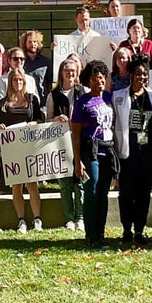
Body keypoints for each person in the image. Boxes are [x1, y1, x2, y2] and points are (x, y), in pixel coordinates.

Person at [71, 60, 118, 249]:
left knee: (103, 194)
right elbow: (75, 135)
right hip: (90, 151)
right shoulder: (83, 102)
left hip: (108, 149)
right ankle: (90, 235)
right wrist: (77, 161)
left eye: (102, 77)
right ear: (88, 81)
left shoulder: (108, 98)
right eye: (95, 78)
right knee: (92, 192)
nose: (99, 81)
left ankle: (100, 233)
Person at [113, 54, 152, 245]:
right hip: (128, 151)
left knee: (144, 193)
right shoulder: (119, 96)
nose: (141, 77)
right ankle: (126, 230)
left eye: (144, 74)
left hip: (147, 152)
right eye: (138, 74)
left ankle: (139, 230)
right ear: (131, 75)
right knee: (126, 192)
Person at [0, 67, 46, 233]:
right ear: (10, 82)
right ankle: (21, 220)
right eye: (15, 80)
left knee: (32, 184)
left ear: (24, 82)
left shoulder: (32, 100)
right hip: (12, 148)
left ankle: (37, 219)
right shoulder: (3, 103)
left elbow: (40, 118)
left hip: (30, 146)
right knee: (16, 186)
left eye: (20, 80)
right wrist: (1, 127)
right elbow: (0, 123)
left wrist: (36, 123)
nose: (18, 83)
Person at [46, 57, 86, 232]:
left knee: (80, 182)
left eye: (73, 71)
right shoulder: (53, 95)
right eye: (67, 70)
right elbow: (46, 122)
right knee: (65, 184)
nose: (70, 74)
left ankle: (80, 217)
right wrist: (55, 120)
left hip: (80, 142)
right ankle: (69, 218)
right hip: (61, 144)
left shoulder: (83, 92)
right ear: (61, 72)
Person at [20, 30, 52, 97]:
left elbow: (49, 83)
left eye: (35, 41)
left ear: (38, 43)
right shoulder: (20, 61)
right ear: (25, 43)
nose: (33, 44)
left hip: (42, 102)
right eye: (29, 42)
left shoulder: (46, 62)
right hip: (26, 101)